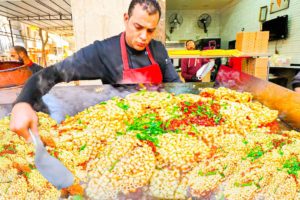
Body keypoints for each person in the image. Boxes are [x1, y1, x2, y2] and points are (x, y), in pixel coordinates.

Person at [10, 0, 181, 141]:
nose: (144, 36)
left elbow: (175, 86)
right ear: (126, 18)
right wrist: (22, 103)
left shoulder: (158, 50)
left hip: (160, 127)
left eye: (150, 30)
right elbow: (50, 74)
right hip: (122, 133)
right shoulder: (103, 52)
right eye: (138, 27)